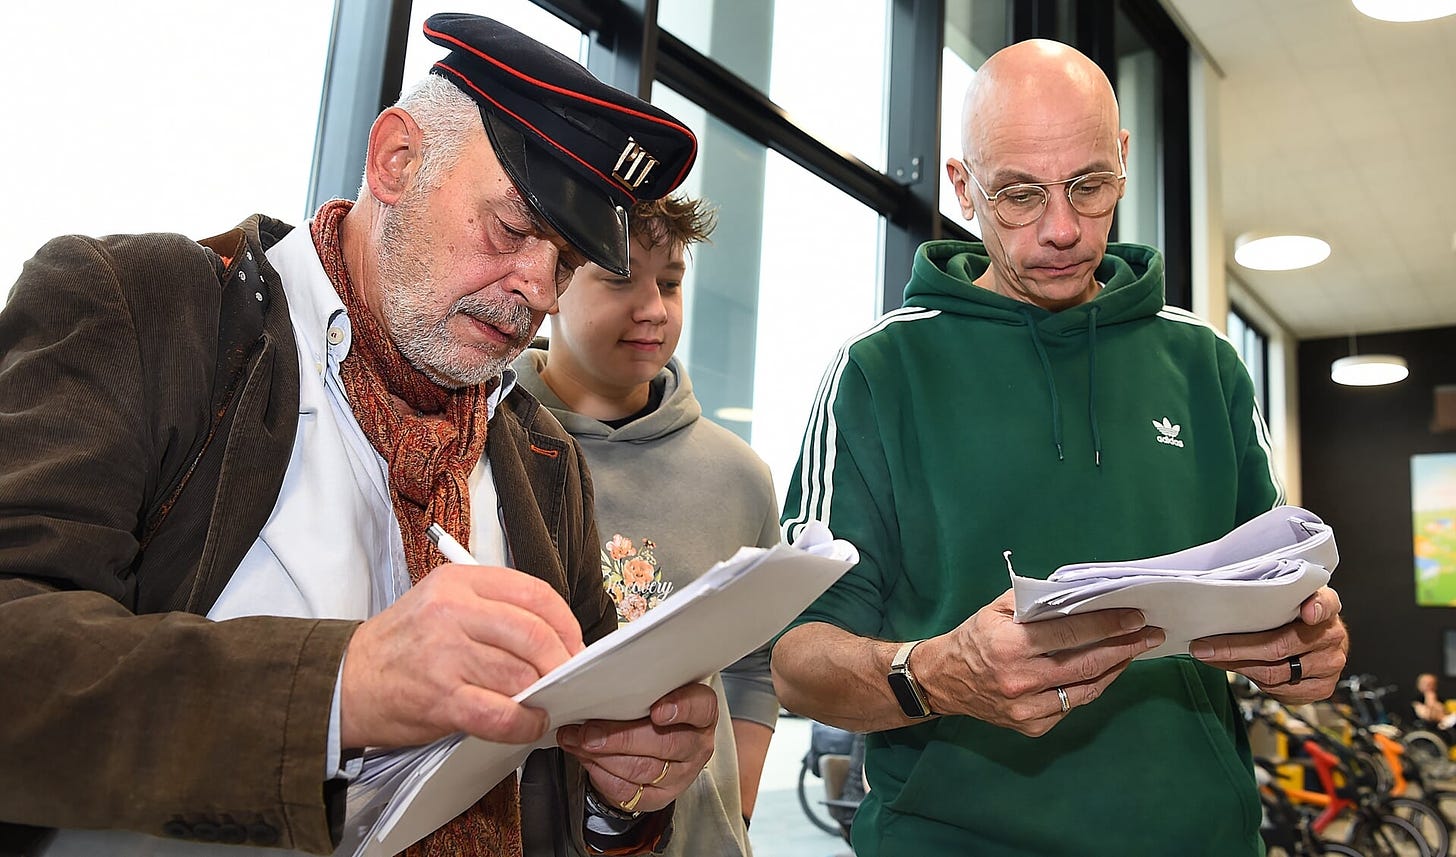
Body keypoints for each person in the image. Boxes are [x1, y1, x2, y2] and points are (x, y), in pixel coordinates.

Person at [0, 14, 720, 857]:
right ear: (396, 160)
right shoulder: (145, 311)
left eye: (563, 261)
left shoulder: (544, 457)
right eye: (513, 229)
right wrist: (344, 686)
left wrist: (627, 788)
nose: (538, 291)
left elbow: (572, 769)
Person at [769, 38, 1350, 857]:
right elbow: (797, 660)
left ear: (1121, 159)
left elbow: (1284, 590)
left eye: (1089, 184)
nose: (1065, 229)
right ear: (962, 187)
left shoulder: (1206, 364)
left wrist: (1308, 645)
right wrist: (935, 674)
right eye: (1018, 195)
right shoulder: (877, 373)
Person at [512, 194, 780, 857]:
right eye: (620, 277)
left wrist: (731, 809)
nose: (654, 309)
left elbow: (756, 661)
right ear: (556, 277)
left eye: (669, 282)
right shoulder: (492, 444)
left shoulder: (738, 475)